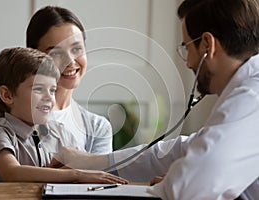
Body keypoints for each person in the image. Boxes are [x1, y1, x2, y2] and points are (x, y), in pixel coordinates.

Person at [49, 0, 259, 199]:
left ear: (207, 45)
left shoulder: (252, 97)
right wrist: (96, 161)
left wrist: (174, 181)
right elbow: (184, 149)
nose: (188, 63)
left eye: (187, 47)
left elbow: (186, 189)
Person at [0, 6, 112, 182]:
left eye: (77, 49)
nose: (70, 61)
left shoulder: (97, 128)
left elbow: (100, 185)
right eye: (55, 52)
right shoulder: (5, 107)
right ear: (33, 55)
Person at [0, 47, 127, 184]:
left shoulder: (59, 131)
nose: (49, 98)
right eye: (38, 89)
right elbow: (12, 172)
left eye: (52, 90)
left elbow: (80, 164)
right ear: (7, 95)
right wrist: (76, 174)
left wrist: (78, 169)